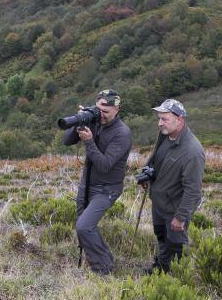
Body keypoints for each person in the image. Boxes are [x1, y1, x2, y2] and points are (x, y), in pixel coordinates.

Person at [62, 89, 132, 275]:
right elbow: (66, 141)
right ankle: (100, 260)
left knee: (84, 227)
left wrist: (89, 142)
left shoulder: (122, 133)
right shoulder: (93, 121)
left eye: (106, 111)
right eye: (99, 108)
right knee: (83, 227)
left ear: (117, 110)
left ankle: (103, 269)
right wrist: (80, 121)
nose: (102, 114)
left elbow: (105, 165)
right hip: (87, 184)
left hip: (106, 189)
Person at [142, 98, 205, 273]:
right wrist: (148, 173)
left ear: (179, 120)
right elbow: (156, 159)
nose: (159, 124)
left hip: (174, 209)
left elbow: (193, 190)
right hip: (159, 203)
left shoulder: (192, 151)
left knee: (176, 244)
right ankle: (161, 268)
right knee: (162, 237)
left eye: (164, 119)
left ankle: (174, 277)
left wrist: (181, 217)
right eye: (159, 119)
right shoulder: (165, 136)